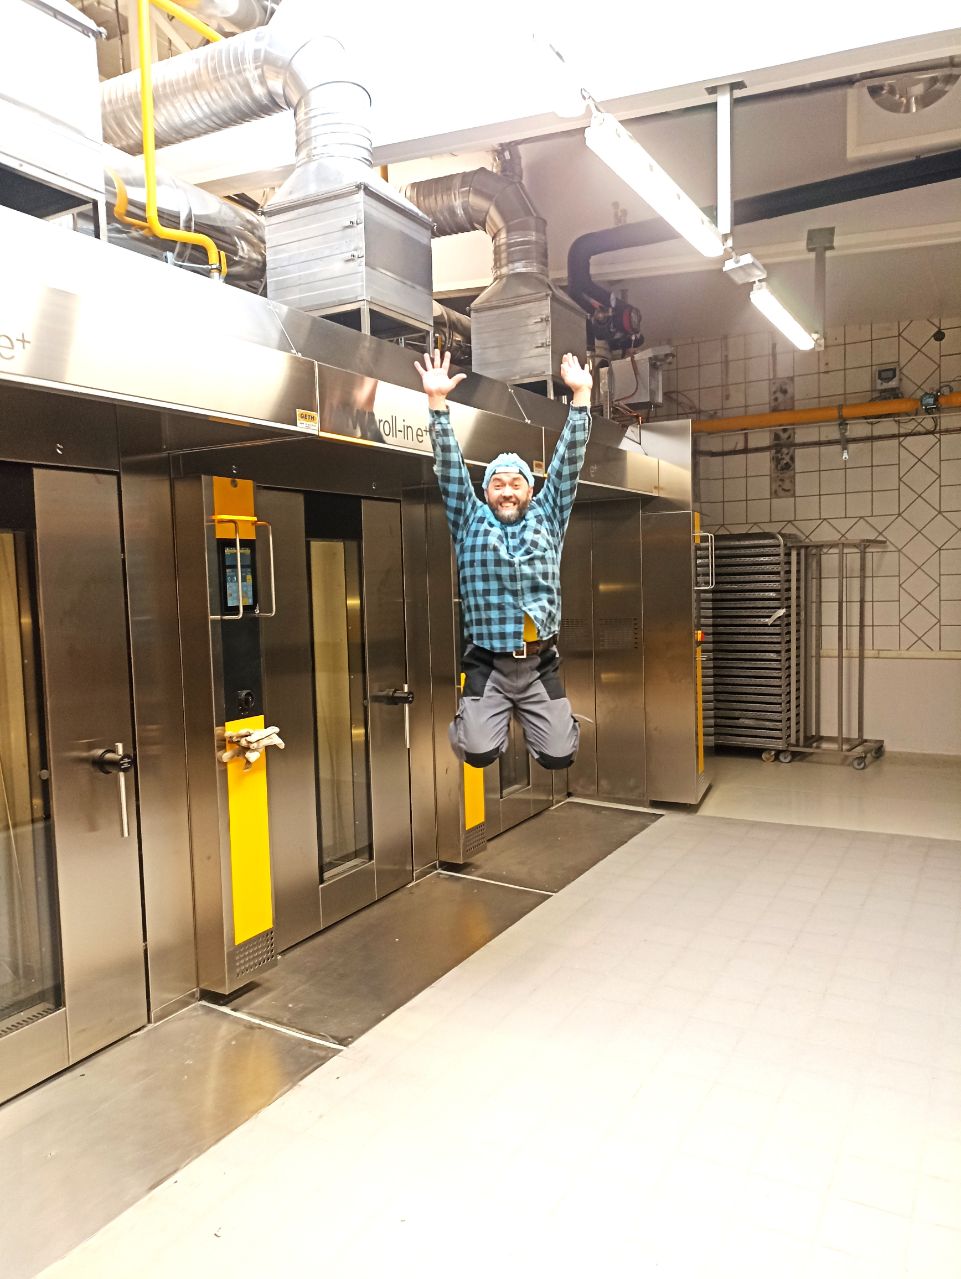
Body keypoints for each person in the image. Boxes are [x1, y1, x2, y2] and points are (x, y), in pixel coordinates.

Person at [413, 347, 593, 771]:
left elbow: (568, 463)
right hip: (487, 661)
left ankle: (545, 722)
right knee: (477, 753)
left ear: (531, 490)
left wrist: (581, 397)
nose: (507, 491)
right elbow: (450, 468)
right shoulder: (469, 518)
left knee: (559, 755)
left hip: (539, 662)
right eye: (498, 484)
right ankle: (484, 722)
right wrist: (437, 404)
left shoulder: (549, 516)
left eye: (516, 484)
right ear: (486, 491)